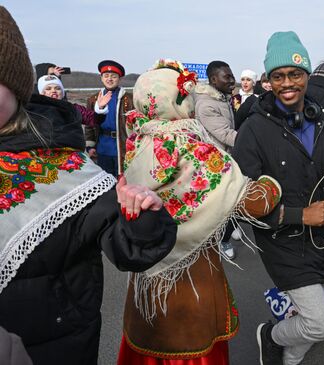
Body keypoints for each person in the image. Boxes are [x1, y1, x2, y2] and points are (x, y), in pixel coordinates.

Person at [0, 7, 178, 365]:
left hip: (53, 342)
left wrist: (140, 215)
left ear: (16, 86)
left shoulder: (64, 169)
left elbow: (126, 244)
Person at [116, 58, 282, 365]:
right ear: (181, 100)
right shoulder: (194, 147)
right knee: (189, 345)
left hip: (148, 267)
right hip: (191, 272)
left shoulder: (138, 139)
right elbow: (250, 201)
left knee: (150, 340)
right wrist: (272, 183)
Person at [232, 31, 324, 365]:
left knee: (315, 320)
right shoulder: (253, 130)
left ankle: (286, 360)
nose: (287, 83)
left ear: (306, 76)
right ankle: (269, 335)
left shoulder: (320, 121)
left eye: (294, 74)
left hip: (322, 236)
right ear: (268, 82)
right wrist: (299, 215)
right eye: (278, 76)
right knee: (322, 324)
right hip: (283, 239)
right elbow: (241, 202)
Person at [194, 60, 239, 259]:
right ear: (213, 80)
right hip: (215, 163)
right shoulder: (206, 105)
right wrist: (259, 140)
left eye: (232, 75)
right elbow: (227, 135)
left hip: (229, 158)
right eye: (226, 77)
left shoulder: (222, 98)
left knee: (230, 204)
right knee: (223, 204)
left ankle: (228, 229)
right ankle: (222, 240)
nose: (232, 80)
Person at [85, 60, 134, 176]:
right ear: (101, 78)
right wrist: (90, 146)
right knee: (105, 180)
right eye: (106, 76)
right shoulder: (93, 99)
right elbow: (89, 124)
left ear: (119, 78)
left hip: (123, 146)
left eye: (113, 76)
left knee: (124, 179)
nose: (109, 79)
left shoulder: (130, 99)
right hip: (102, 146)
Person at [37, 74, 111, 127]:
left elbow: (94, 120)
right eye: (48, 89)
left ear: (62, 92)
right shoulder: (35, 111)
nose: (54, 91)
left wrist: (100, 108)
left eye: (57, 88)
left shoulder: (72, 109)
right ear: (42, 93)